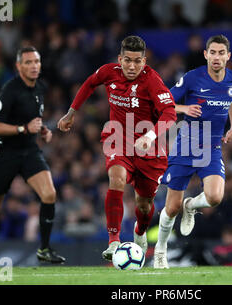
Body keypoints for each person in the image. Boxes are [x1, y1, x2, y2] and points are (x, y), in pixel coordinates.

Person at [57, 36, 176, 261]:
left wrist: (150, 137)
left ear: (144, 61)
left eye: (137, 61)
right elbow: (90, 83)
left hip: (148, 147)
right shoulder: (108, 72)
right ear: (120, 59)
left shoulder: (152, 81)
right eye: (128, 60)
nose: (132, 66)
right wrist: (71, 112)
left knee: (144, 204)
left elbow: (169, 113)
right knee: (117, 178)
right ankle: (114, 241)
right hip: (118, 139)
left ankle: (140, 232)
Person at [0, 47, 65, 267]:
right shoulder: (10, 90)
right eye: (28, 62)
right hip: (6, 154)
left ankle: (44, 249)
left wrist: (42, 131)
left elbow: (34, 121)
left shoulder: (40, 88)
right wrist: (23, 129)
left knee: (49, 194)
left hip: (29, 151)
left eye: (36, 62)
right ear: (18, 66)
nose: (33, 66)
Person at [154, 35, 232, 269]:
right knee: (171, 208)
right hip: (186, 145)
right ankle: (161, 251)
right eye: (212, 52)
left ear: (228, 56)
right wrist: (184, 108)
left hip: (211, 148)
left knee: (215, 197)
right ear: (206, 55)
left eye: (221, 53)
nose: (216, 57)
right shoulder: (193, 77)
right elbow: (165, 102)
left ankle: (191, 206)